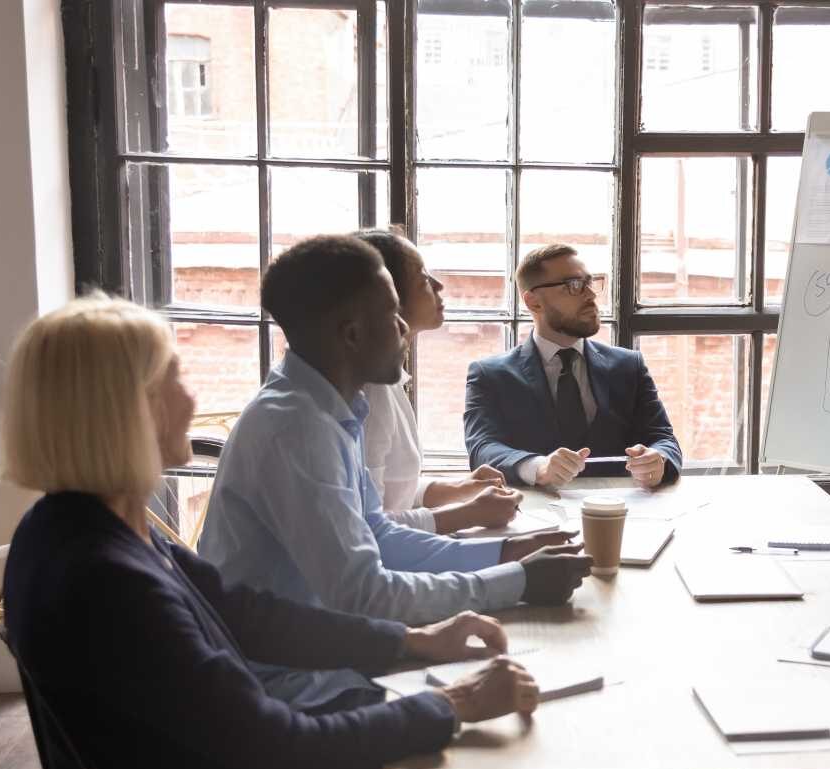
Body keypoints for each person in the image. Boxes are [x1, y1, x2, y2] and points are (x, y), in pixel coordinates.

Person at [0, 294, 541, 769]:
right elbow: (273, 744)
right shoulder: (107, 577)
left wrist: (412, 640)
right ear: (126, 407)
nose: (192, 393)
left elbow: (248, 615)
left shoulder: (83, 529)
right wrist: (449, 706)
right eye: (175, 376)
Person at [198, 234, 593, 711]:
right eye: (391, 314)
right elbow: (366, 595)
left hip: (340, 658)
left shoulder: (330, 409)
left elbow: (377, 532)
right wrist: (519, 581)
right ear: (351, 335)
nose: (405, 326)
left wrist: (505, 554)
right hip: (300, 688)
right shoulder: (297, 429)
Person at [464, 243, 683, 489]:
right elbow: (483, 449)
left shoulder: (628, 366)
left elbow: (663, 439)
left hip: (621, 514)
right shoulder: (489, 375)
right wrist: (538, 467)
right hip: (532, 519)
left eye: (590, 283)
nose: (590, 295)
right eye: (574, 285)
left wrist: (659, 459)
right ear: (534, 302)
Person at [353, 226, 521, 533]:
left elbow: (391, 490)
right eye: (423, 277)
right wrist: (470, 514)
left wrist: (458, 488)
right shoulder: (368, 390)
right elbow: (366, 526)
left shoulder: (387, 379)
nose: (438, 284)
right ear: (389, 294)